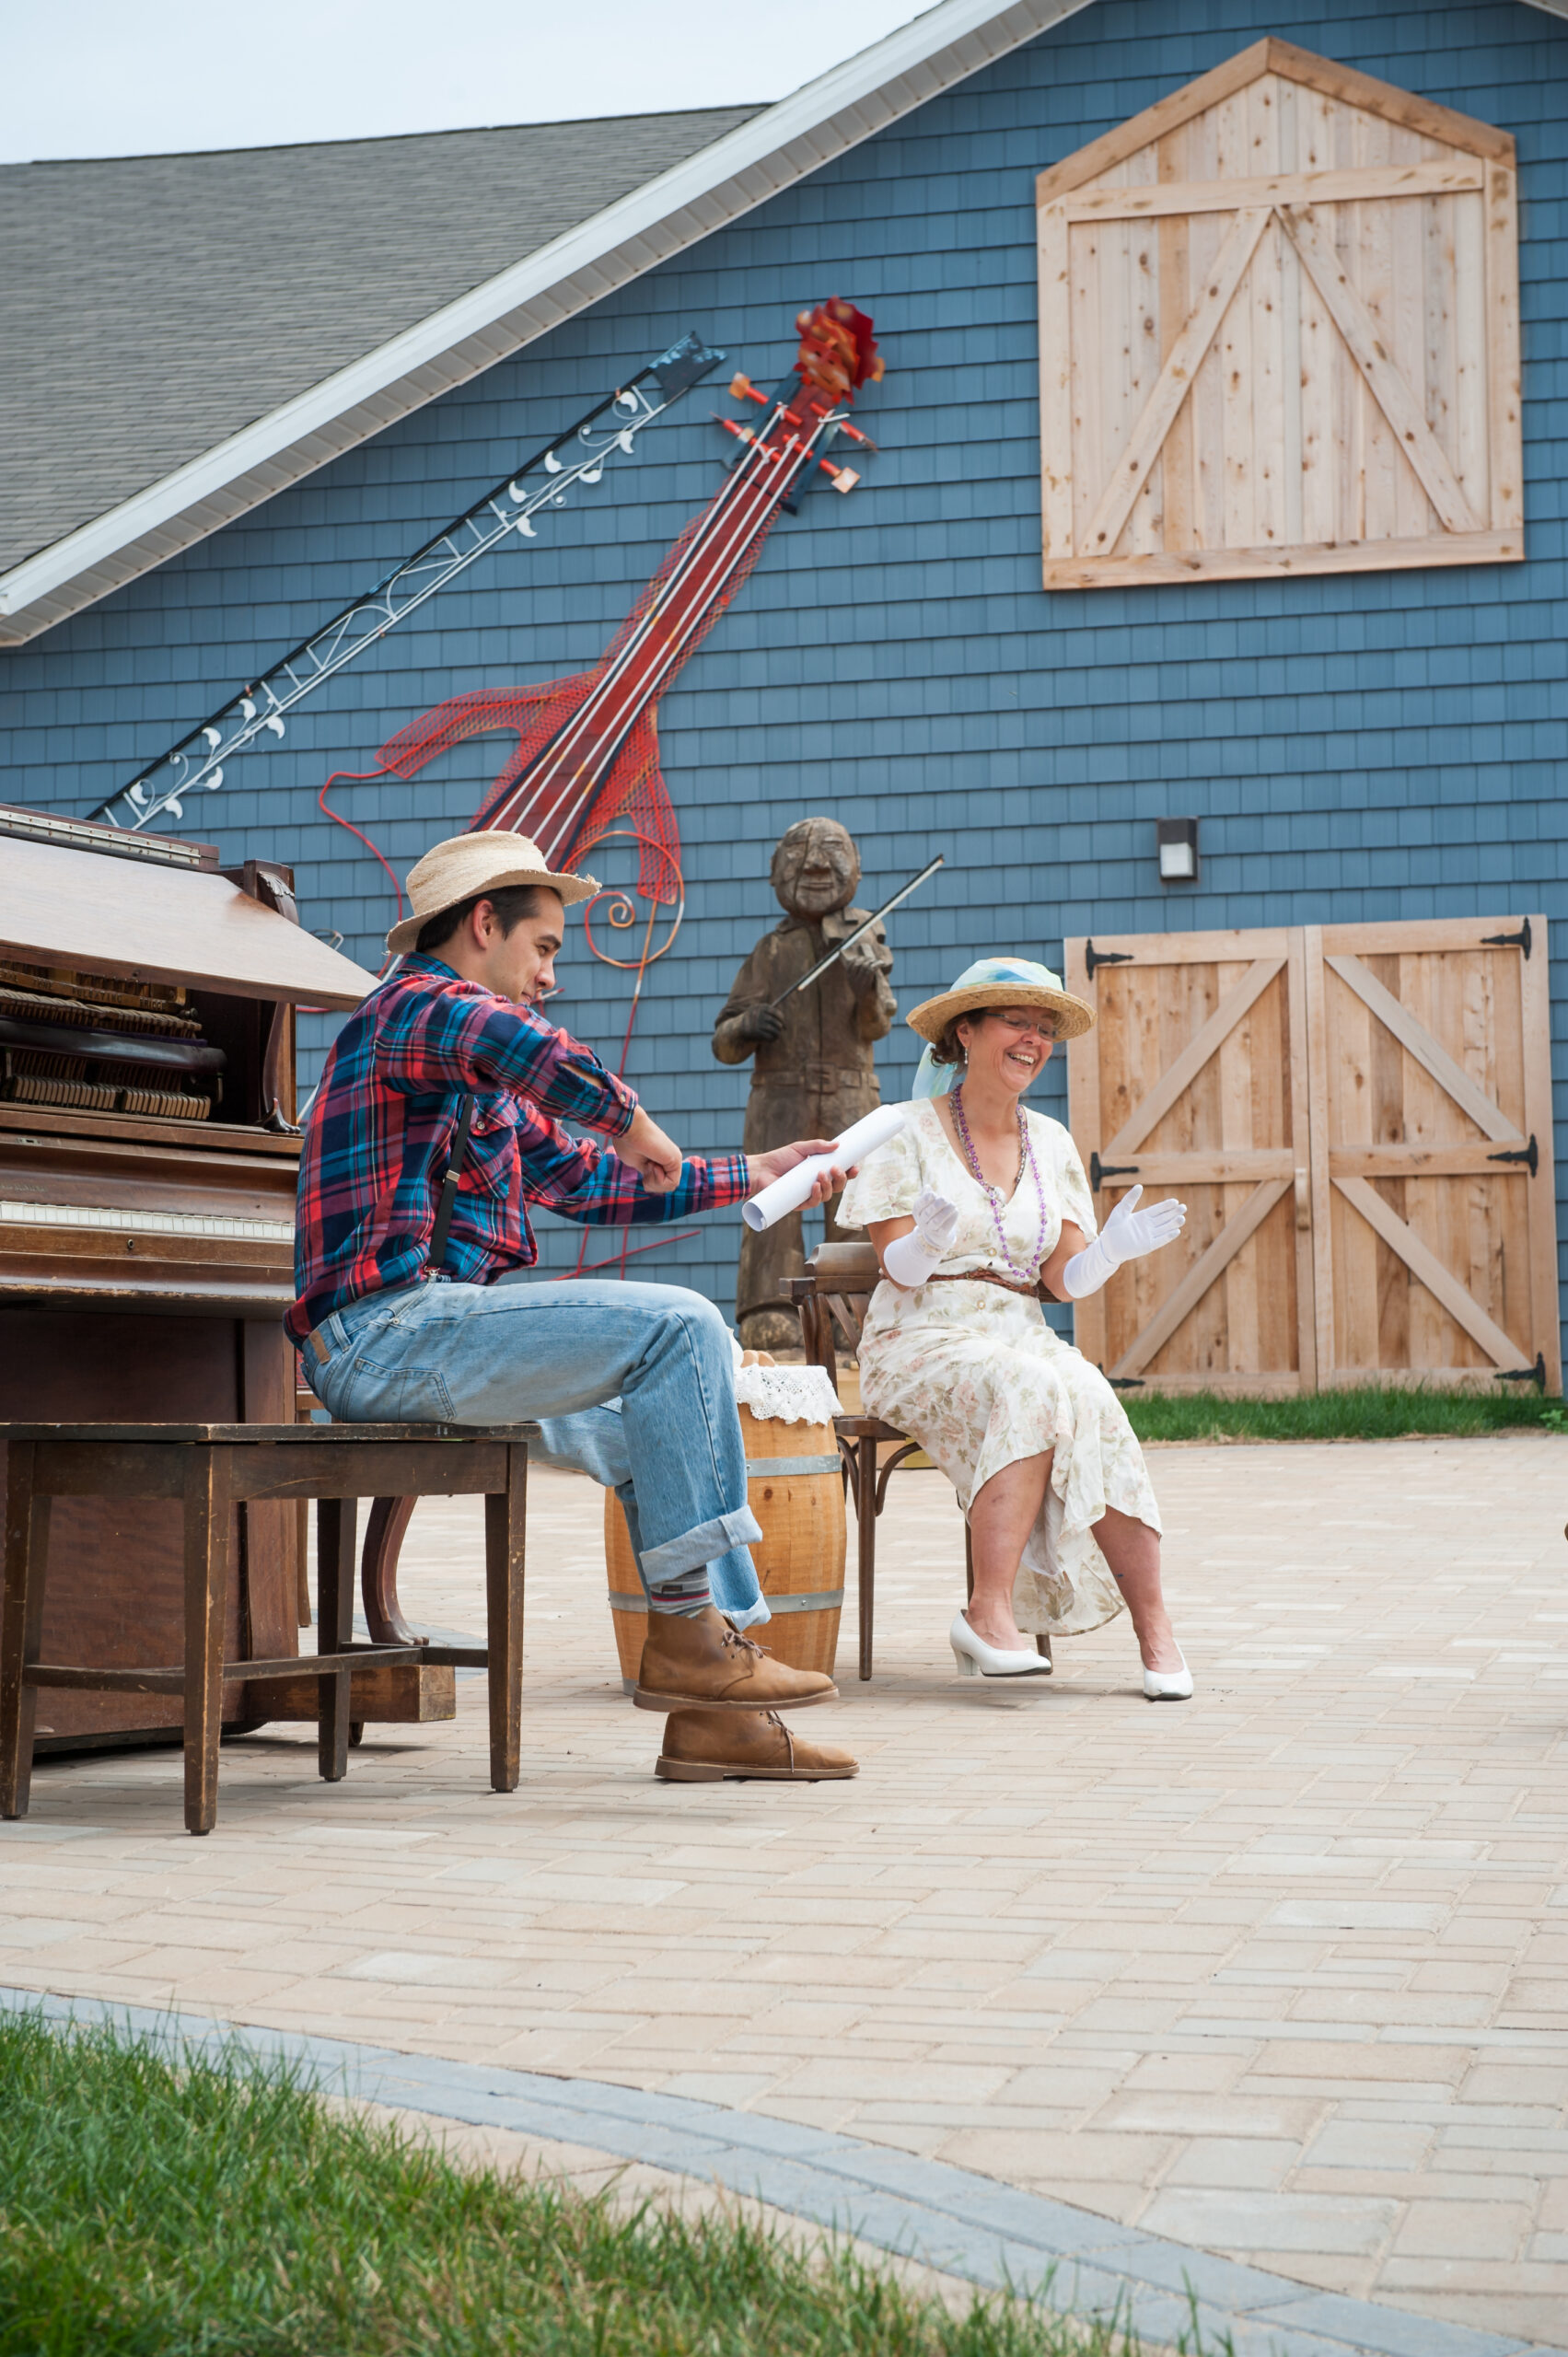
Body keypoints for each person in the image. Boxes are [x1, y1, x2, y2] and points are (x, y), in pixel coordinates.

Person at [287, 830, 858, 1782]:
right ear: (482, 923)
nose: (550, 974)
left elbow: (586, 1178)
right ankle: (690, 1648)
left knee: (661, 1429)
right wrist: (639, 1120)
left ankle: (714, 1715)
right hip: (379, 1338)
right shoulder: (410, 1010)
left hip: (432, 1337)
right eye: (544, 946)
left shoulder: (473, 1075)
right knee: (682, 1324)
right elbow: (524, 1047)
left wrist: (746, 1173)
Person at [836, 956, 1193, 1700]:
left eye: (1043, 1028)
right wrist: (927, 1242)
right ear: (964, 1032)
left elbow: (1060, 1281)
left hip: (1020, 1330)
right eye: (1014, 1022)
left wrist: (1110, 1252)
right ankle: (986, 1613)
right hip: (919, 1334)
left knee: (1091, 1397)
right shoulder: (901, 1132)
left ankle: (1154, 1629)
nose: (1032, 1040)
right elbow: (898, 1268)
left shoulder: (1052, 1141)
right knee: (1031, 1385)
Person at [712, 817, 896, 1349]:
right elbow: (724, 1042)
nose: (816, 862)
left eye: (833, 849)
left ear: (855, 865)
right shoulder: (771, 951)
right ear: (776, 872)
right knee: (774, 1199)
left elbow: (877, 1023)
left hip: (850, 1092)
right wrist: (747, 1024)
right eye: (799, 851)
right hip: (780, 1095)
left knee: (856, 1203)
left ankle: (854, 1304)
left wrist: (867, 989)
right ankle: (768, 1307)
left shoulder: (862, 940)